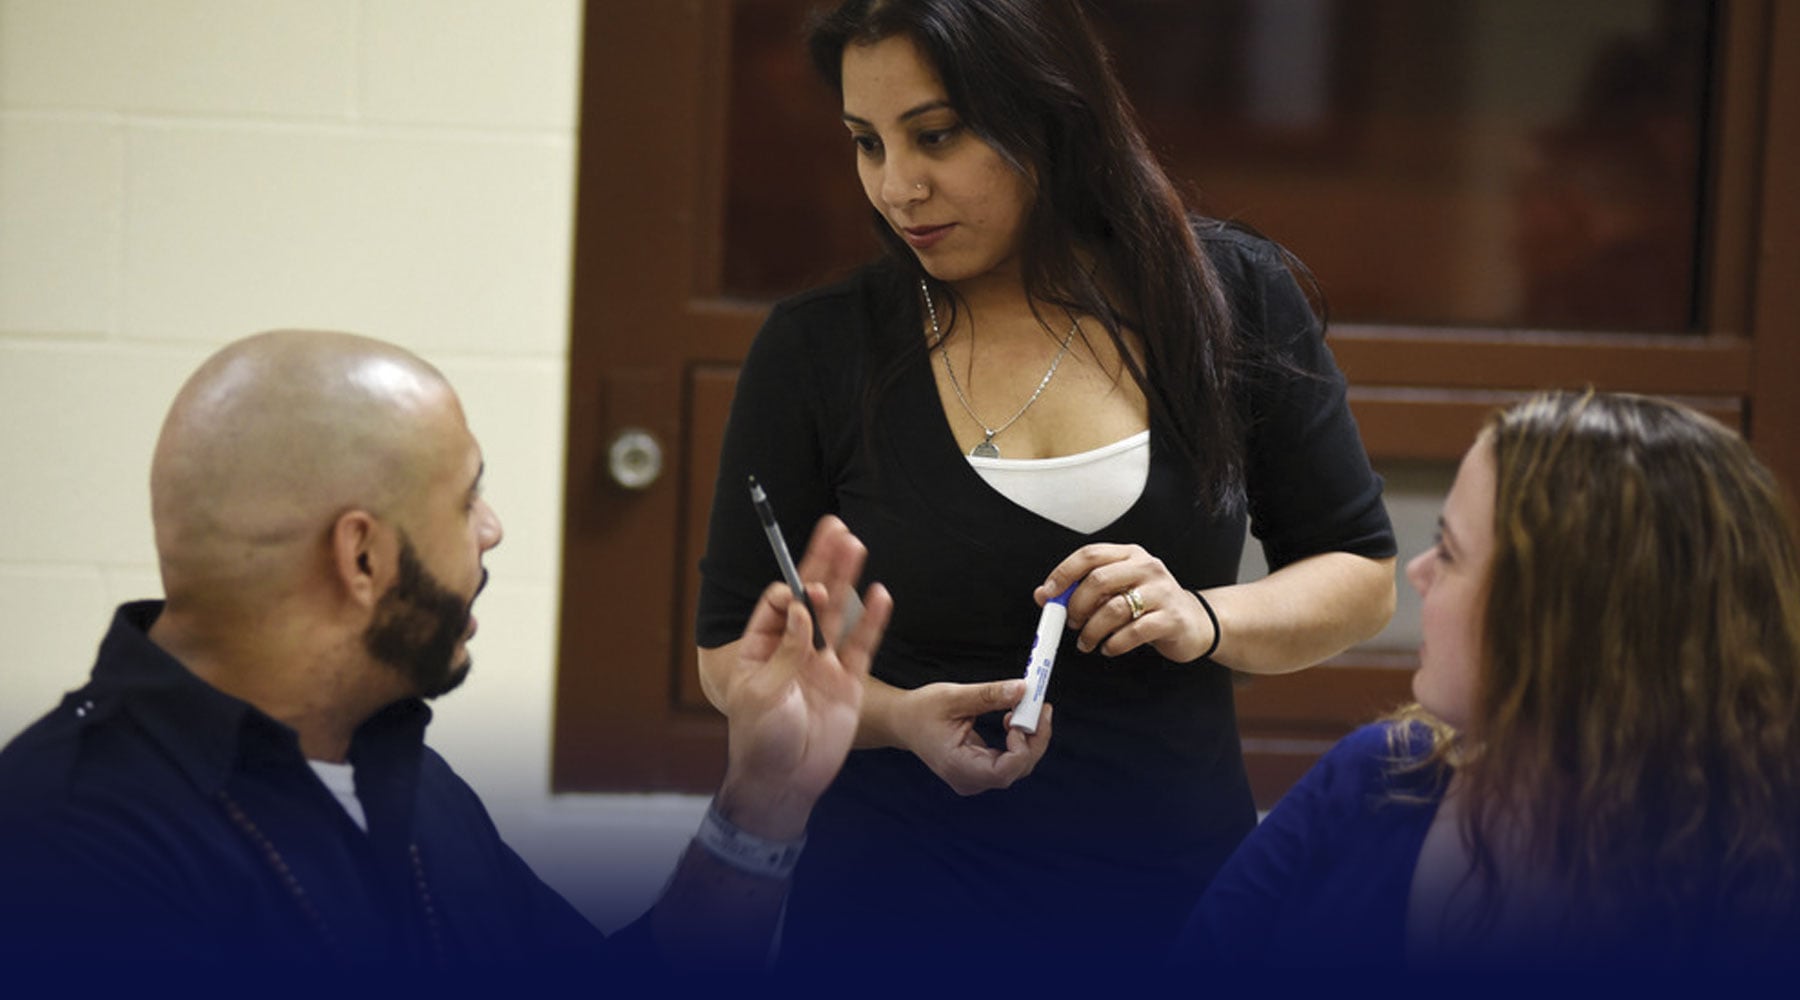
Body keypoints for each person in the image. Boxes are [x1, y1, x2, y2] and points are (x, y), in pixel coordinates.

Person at [693, 0, 1397, 968]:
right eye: (867, 142)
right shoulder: (820, 347)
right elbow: (730, 655)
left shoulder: (1226, 296)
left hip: (1173, 899)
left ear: (1050, 111)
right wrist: (897, 717)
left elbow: (1359, 573)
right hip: (893, 909)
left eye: (936, 136)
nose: (899, 187)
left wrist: (1204, 618)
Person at [0, 330, 893, 973]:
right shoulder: (65, 845)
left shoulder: (408, 781)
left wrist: (766, 798)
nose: (494, 531)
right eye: (468, 501)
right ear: (362, 557)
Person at [1174, 390, 1800, 971]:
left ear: (1560, 618)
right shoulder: (1373, 783)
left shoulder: (1753, 879)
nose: (1418, 572)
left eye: (1449, 552)